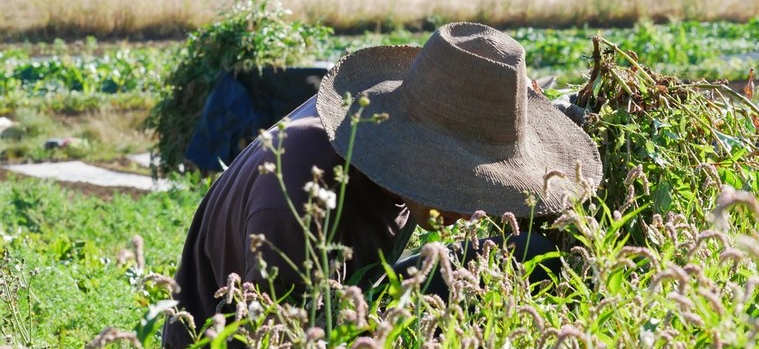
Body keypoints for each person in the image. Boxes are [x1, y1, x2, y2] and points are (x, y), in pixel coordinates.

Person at [162, 22, 604, 348]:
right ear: (420, 154)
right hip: (259, 330)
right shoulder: (299, 192)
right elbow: (263, 333)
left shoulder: (388, 150)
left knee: (531, 254)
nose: (473, 208)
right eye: (462, 181)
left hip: (352, 302)